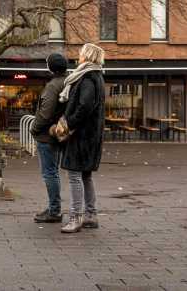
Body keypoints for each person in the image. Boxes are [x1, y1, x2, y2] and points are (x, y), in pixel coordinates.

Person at [59, 43, 105, 234]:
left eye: (80, 54)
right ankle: (90, 215)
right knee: (86, 175)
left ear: (87, 56)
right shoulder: (97, 77)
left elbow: (85, 106)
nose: (78, 56)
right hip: (91, 135)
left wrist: (68, 123)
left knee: (75, 175)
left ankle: (76, 217)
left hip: (81, 136)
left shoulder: (87, 78)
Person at [29, 53, 68, 223]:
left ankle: (54, 211)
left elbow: (45, 113)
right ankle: (54, 208)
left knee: (49, 173)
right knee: (53, 172)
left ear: (51, 67)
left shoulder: (53, 86)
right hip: (55, 134)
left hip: (47, 136)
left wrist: (34, 128)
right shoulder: (66, 81)